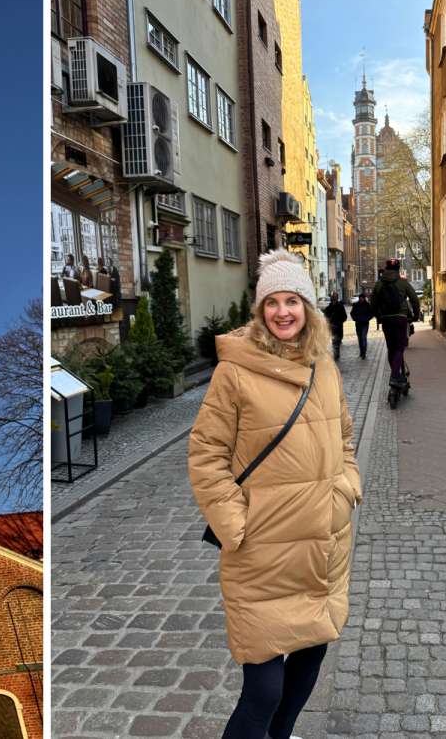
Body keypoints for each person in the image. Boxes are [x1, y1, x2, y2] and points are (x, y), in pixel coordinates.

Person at [189, 250, 362, 739]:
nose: (282, 312)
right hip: (261, 551)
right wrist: (236, 526)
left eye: (292, 301)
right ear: (260, 310)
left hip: (322, 544)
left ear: (308, 308)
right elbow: (206, 456)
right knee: (263, 688)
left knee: (308, 662)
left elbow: (345, 435)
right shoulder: (235, 372)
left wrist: (346, 487)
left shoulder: (323, 367)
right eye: (272, 302)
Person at [370, 257, 422, 387]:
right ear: (398, 269)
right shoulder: (403, 282)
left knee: (391, 348)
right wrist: (416, 315)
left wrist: (378, 317)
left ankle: (396, 374)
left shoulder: (379, 283)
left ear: (387, 268)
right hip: (400, 318)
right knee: (400, 347)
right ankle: (394, 377)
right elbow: (415, 299)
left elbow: (373, 303)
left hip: (386, 319)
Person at [321, 291, 347, 361]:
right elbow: (325, 317)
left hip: (338, 327)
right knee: (334, 341)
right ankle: (336, 355)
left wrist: (339, 322)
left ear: (337, 298)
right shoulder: (328, 308)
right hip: (331, 327)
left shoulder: (340, 307)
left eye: (335, 297)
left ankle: (336, 354)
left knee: (337, 342)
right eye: (333, 297)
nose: (334, 299)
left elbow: (344, 317)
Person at [350, 292, 375, 359]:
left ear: (364, 298)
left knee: (363, 337)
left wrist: (367, 318)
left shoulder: (367, 305)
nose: (361, 299)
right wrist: (355, 319)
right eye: (360, 298)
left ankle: (364, 352)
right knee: (359, 338)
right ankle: (361, 351)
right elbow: (352, 313)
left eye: (362, 298)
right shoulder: (356, 305)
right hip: (358, 324)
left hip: (365, 324)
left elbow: (372, 313)